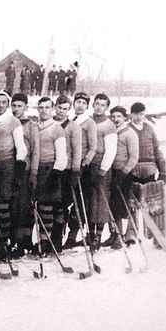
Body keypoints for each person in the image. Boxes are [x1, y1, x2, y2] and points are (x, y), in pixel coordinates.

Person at [0, 90, 28, 258]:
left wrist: (18, 169)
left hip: (6, 165)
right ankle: (0, 242)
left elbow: (21, 147)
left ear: (8, 104)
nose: (0, 105)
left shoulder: (14, 121)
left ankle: (4, 243)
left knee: (2, 205)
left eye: (4, 102)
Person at [128, 101, 166, 245]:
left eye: (142, 114)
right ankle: (131, 235)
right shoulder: (127, 129)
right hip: (133, 170)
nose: (139, 117)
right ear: (131, 114)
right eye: (136, 114)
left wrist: (162, 171)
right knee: (132, 203)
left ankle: (157, 237)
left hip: (150, 169)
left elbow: (157, 150)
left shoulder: (150, 129)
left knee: (153, 204)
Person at [63, 92, 98, 249]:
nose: (80, 105)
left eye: (83, 103)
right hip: (69, 165)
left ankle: (78, 235)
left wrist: (85, 163)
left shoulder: (89, 123)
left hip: (83, 167)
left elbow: (93, 147)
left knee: (82, 200)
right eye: (78, 102)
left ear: (87, 106)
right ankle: (67, 234)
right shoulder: (69, 121)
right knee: (68, 200)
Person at [34, 97, 67, 254]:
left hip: (50, 169)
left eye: (47, 107)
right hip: (37, 168)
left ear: (52, 109)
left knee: (48, 206)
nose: (44, 110)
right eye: (41, 107)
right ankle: (44, 240)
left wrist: (56, 173)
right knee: (41, 207)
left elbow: (62, 155)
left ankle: (49, 241)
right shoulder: (36, 127)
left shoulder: (57, 128)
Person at [102, 106, 139, 249]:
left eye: (119, 116)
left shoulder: (130, 133)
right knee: (110, 204)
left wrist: (123, 172)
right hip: (110, 171)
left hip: (123, 173)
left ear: (125, 118)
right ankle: (114, 234)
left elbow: (134, 156)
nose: (115, 119)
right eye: (113, 116)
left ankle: (124, 235)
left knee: (120, 205)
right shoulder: (111, 131)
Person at [9, 93, 39, 257]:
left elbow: (35, 151)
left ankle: (23, 240)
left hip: (25, 170)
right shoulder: (9, 123)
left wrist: (33, 172)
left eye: (19, 106)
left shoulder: (30, 126)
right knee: (12, 206)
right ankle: (14, 240)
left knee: (23, 207)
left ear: (25, 107)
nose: (16, 109)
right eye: (13, 106)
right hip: (10, 170)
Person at [86, 93, 118, 249]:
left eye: (102, 105)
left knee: (100, 201)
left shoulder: (109, 125)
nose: (99, 107)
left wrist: (102, 171)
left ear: (107, 107)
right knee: (89, 200)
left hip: (101, 166)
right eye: (97, 103)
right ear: (93, 104)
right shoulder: (88, 121)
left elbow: (111, 151)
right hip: (87, 164)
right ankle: (90, 234)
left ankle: (98, 236)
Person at [51, 95, 82, 251]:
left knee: (61, 206)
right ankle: (47, 239)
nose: (61, 111)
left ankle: (57, 239)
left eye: (65, 109)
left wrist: (75, 172)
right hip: (51, 169)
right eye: (59, 108)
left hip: (66, 171)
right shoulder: (49, 124)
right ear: (54, 107)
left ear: (68, 110)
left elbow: (77, 151)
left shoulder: (73, 127)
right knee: (48, 205)